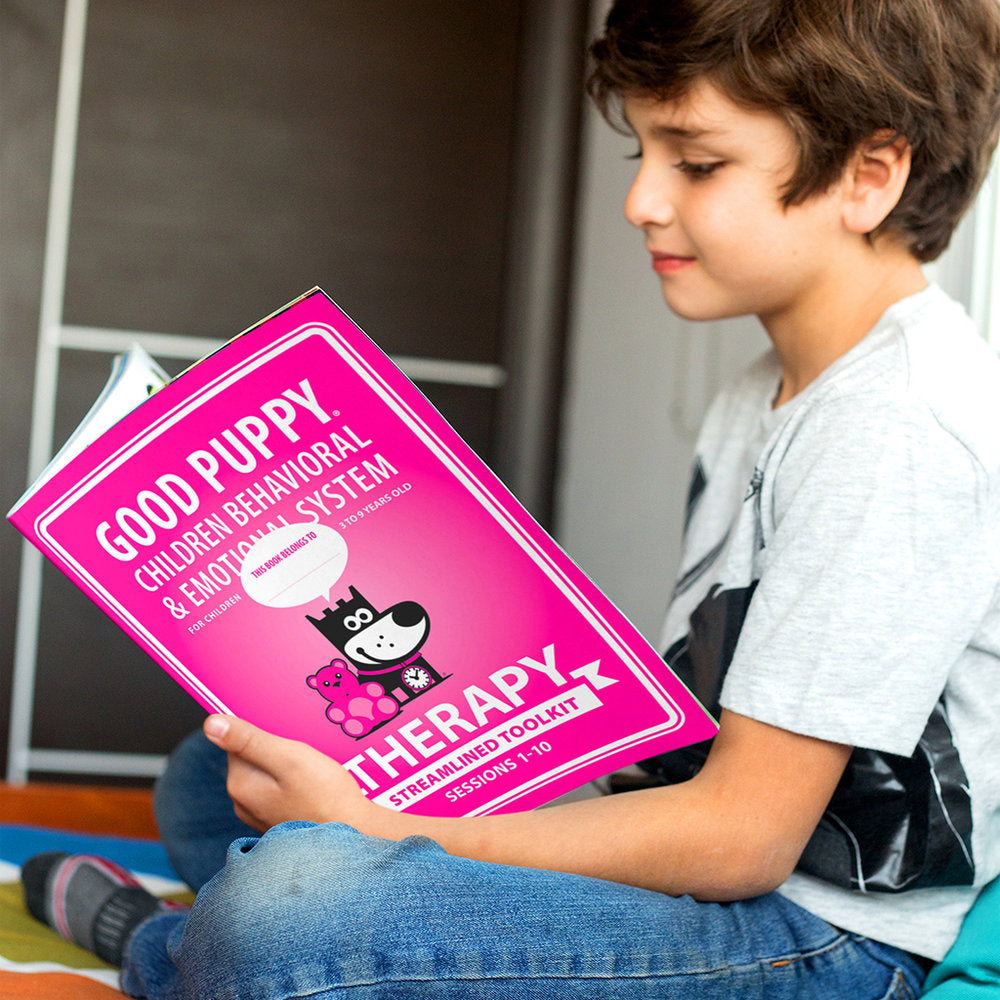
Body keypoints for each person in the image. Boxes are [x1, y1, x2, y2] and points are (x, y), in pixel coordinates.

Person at [22, 1, 1000, 996]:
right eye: (645, 153)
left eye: (696, 164)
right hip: (715, 874)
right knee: (214, 773)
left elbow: (742, 837)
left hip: (822, 943)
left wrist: (385, 830)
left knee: (286, 907)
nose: (642, 202)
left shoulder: (905, 429)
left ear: (868, 177)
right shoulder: (767, 384)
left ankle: (169, 953)